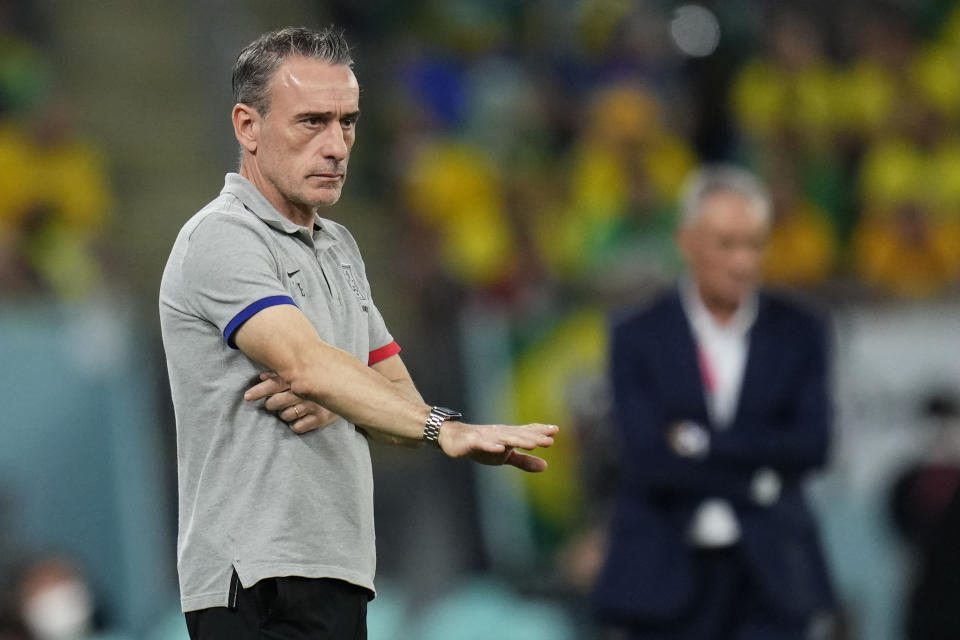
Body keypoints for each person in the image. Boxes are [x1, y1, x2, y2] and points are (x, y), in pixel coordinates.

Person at [158, 26, 557, 640]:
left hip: (338, 569)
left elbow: (394, 396)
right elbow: (311, 366)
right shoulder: (222, 237)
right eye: (312, 122)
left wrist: (344, 401)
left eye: (348, 122)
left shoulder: (339, 247)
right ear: (248, 126)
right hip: (254, 578)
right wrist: (436, 426)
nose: (337, 145)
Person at [592, 165, 834, 639]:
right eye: (727, 244)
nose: (743, 262)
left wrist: (699, 442)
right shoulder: (638, 334)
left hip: (773, 577)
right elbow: (646, 459)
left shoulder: (800, 329)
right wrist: (759, 481)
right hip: (663, 577)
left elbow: (813, 445)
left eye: (755, 244)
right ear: (688, 242)